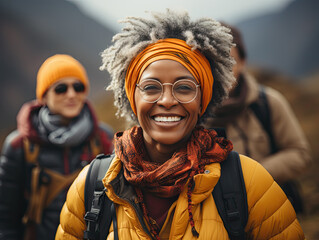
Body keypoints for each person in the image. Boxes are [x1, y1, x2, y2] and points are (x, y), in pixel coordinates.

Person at [56, 10, 305, 239]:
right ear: (132, 98)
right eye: (151, 87)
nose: (166, 100)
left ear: (202, 100)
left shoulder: (251, 182)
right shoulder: (91, 185)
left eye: (184, 88)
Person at [0, 54, 113, 240]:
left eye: (78, 87)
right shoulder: (20, 145)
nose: (71, 94)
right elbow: (6, 218)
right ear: (43, 96)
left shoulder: (103, 138)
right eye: (61, 88)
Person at [204, 23, 312, 212]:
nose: (222, 72)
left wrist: (251, 176)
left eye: (229, 61)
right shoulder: (193, 116)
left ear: (243, 62)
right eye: (214, 62)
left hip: (276, 208)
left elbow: (300, 154)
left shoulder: (268, 102)